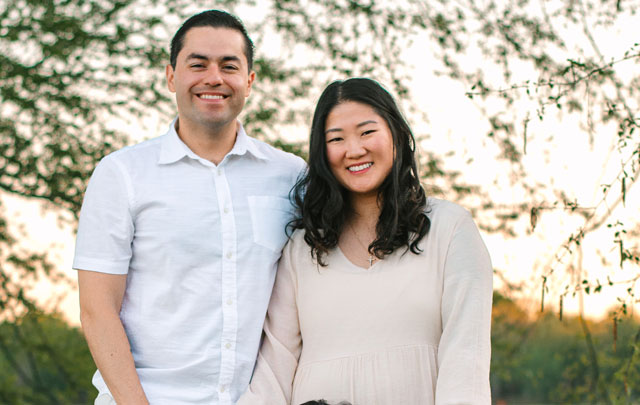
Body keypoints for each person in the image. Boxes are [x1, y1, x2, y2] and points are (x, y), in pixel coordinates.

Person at [73, 10, 306, 405]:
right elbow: (97, 310)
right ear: (170, 77)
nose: (213, 77)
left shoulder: (290, 176)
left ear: (249, 82)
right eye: (197, 64)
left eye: (229, 66)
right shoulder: (122, 174)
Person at [238, 78, 493, 404]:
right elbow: (275, 368)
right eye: (337, 139)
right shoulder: (303, 247)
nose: (354, 149)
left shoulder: (451, 229)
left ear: (396, 135)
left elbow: (466, 356)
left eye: (367, 132)